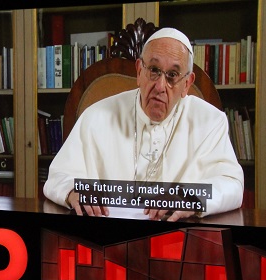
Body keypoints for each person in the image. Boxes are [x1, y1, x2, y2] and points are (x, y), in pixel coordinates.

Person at [43, 27, 244, 221]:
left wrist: (189, 197)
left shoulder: (209, 121)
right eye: (154, 70)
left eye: (172, 75)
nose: (160, 86)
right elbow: (59, 175)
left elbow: (232, 185)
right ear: (139, 71)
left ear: (187, 84)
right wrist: (73, 190)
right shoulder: (96, 116)